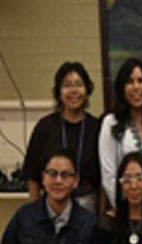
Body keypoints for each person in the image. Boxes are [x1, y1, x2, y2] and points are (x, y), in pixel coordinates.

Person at [1, 148, 96, 244]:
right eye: (52, 173)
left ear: (75, 181)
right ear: (43, 178)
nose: (58, 181)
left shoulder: (89, 223)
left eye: (66, 175)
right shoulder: (24, 217)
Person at [22, 61, 100, 212]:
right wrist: (33, 214)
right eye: (67, 85)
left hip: (88, 208)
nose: (73, 90)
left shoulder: (97, 127)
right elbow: (33, 176)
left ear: (87, 89)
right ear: (59, 92)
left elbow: (103, 181)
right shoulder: (45, 127)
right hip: (51, 206)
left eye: (78, 84)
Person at [99, 58, 142, 210]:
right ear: (121, 88)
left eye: (141, 80)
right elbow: (109, 176)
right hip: (124, 210)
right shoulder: (111, 123)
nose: (136, 87)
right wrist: (125, 209)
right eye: (130, 82)